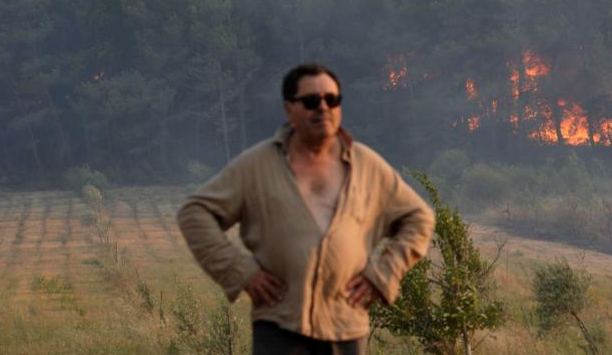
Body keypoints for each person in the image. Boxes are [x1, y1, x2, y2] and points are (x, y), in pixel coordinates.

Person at [177, 62, 435, 354]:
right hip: (279, 326)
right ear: (290, 109)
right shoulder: (257, 165)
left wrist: (383, 274)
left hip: (346, 326)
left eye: (332, 99)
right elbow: (194, 213)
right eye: (312, 101)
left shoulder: (366, 165)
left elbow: (419, 218)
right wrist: (240, 271)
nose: (323, 107)